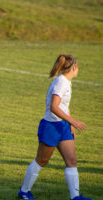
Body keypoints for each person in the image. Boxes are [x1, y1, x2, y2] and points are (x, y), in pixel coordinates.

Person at [18, 55, 93, 200]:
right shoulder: (61, 82)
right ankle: (24, 191)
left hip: (63, 126)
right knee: (42, 161)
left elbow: (64, 106)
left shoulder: (66, 82)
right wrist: (74, 121)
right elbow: (54, 106)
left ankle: (75, 197)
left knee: (72, 161)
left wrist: (69, 124)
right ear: (74, 67)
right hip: (51, 126)